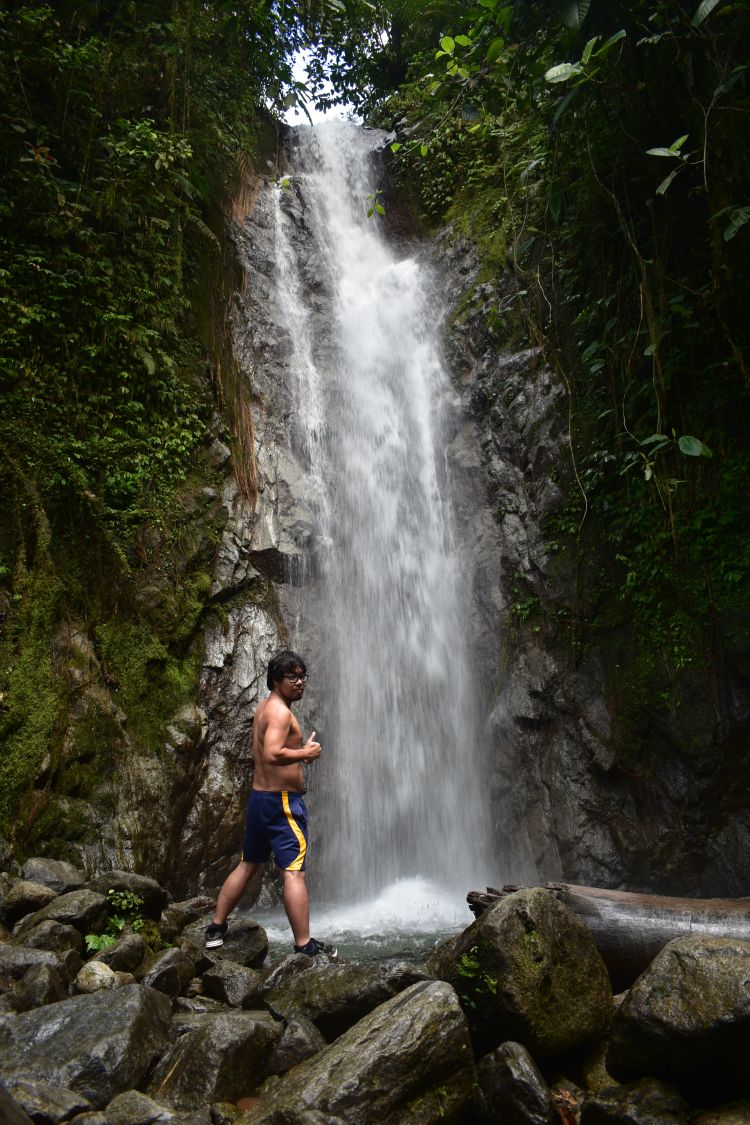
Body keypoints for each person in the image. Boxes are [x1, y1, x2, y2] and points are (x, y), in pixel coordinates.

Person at [204, 650, 335, 957]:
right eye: (293, 677)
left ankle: (216, 928)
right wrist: (305, 753)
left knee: (249, 863)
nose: (300, 683)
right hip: (281, 804)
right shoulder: (278, 712)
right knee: (294, 871)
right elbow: (272, 753)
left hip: (261, 799)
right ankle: (305, 946)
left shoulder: (265, 708)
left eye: (303, 676)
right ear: (276, 680)